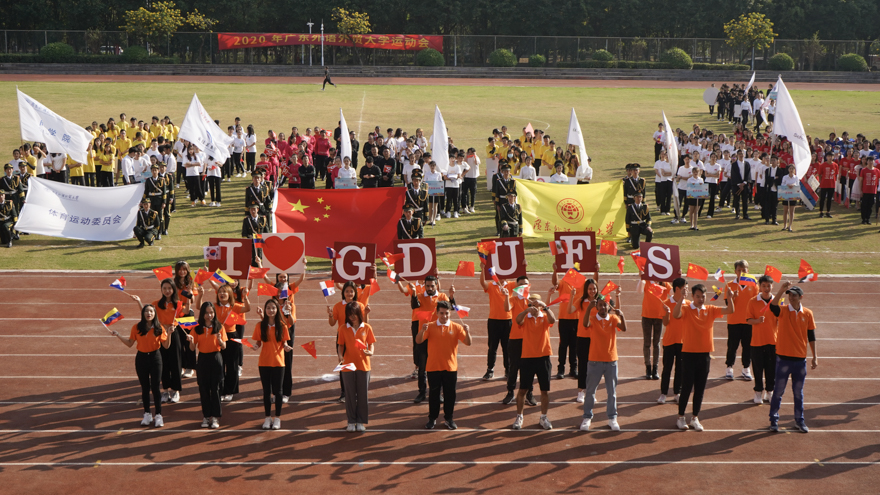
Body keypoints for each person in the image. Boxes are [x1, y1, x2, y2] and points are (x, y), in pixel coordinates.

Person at [673, 283, 734, 431]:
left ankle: (695, 417)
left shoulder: (711, 310)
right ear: (693, 297)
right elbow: (675, 314)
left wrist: (730, 298)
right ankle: (681, 417)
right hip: (688, 354)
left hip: (704, 354)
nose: (700, 299)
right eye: (697, 296)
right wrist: (681, 298)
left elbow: (730, 310)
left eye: (703, 296)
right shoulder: (686, 309)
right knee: (686, 387)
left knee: (700, 389)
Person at [768, 283, 818, 433]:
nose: (791, 297)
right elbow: (772, 306)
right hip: (783, 359)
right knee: (778, 391)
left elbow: (811, 336)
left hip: (800, 360)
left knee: (798, 392)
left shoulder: (808, 313)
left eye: (794, 295)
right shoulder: (783, 311)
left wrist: (815, 356)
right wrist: (781, 290)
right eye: (789, 295)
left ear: (801, 297)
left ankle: (799, 420)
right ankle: (773, 420)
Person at [110, 304, 171, 427]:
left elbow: (166, 346)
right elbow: (129, 343)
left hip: (155, 358)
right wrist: (118, 335)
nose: (149, 313)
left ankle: (158, 415)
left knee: (155, 387)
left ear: (154, 314)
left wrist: (169, 334)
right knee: (145, 387)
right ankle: (147, 414)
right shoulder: (137, 327)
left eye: (151, 311)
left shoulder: (159, 328)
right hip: (141, 358)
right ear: (143, 314)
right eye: (146, 311)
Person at [417, 301, 472, 430]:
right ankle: (432, 418)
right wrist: (422, 331)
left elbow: (468, 343)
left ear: (450, 313)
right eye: (441, 313)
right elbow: (419, 340)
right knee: (434, 395)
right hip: (433, 367)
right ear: (437, 313)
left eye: (447, 313)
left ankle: (449, 418)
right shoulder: (429, 326)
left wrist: (467, 332)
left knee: (450, 395)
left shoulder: (457, 327)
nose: (444, 316)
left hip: (450, 368)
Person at [579, 291, 626, 431]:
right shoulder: (593, 319)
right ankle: (587, 417)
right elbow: (585, 324)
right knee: (590, 392)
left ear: (608, 306)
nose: (602, 308)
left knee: (611, 392)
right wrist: (588, 309)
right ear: (596, 307)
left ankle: (612, 418)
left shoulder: (613, 318)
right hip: (594, 361)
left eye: (605, 305)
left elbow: (624, 328)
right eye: (600, 305)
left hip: (611, 361)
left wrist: (622, 316)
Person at [403, 276, 453, 403]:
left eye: (432, 286)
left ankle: (438, 393)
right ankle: (422, 392)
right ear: (424, 285)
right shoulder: (419, 296)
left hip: (438, 336)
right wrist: (414, 293)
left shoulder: (442, 297)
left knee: (439, 367)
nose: (430, 288)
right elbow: (414, 306)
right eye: (428, 286)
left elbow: (450, 308)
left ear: (437, 285)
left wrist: (451, 296)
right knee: (422, 366)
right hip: (424, 335)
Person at [512, 294, 557, 430]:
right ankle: (519, 416)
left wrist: (545, 306)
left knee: (545, 390)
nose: (534, 307)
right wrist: (526, 311)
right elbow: (517, 320)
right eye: (531, 304)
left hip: (543, 357)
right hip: (527, 357)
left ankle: (543, 417)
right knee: (523, 390)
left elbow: (553, 319)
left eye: (536, 304)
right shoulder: (526, 317)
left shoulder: (544, 317)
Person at [252, 298, 294, 430]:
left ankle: (277, 418)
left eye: (273, 308)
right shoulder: (260, 325)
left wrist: (286, 347)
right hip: (264, 362)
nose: (271, 310)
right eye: (268, 308)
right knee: (266, 391)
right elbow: (258, 342)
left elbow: (285, 342)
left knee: (278, 391)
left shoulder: (282, 325)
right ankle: (267, 417)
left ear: (278, 310)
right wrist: (255, 346)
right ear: (265, 310)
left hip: (278, 362)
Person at [186, 301, 228, 429]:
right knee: (203, 389)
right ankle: (206, 416)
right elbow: (192, 348)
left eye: (211, 313)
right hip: (203, 359)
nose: (209, 315)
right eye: (207, 313)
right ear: (202, 314)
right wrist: (191, 341)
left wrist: (220, 341)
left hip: (216, 358)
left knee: (215, 389)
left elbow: (224, 346)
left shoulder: (219, 327)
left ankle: (215, 417)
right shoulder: (197, 328)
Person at [337, 302, 375, 432]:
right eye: (350, 314)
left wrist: (371, 352)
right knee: (350, 394)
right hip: (348, 365)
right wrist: (340, 355)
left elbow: (371, 344)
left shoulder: (367, 328)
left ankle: (361, 421)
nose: (352, 317)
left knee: (362, 394)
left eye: (354, 314)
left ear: (360, 314)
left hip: (363, 365)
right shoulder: (342, 328)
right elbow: (341, 345)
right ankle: (351, 420)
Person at [328, 282, 368, 403]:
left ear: (355, 293)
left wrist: (366, 313)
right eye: (347, 291)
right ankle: (344, 393)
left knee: (358, 365)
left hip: (357, 339)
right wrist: (330, 315)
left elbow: (365, 323)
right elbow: (332, 323)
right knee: (344, 365)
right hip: (342, 339)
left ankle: (356, 392)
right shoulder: (337, 306)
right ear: (343, 292)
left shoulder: (360, 306)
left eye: (351, 291)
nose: (349, 293)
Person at [504, 275, 537, 406]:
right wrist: (506, 296)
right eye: (521, 284)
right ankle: (510, 392)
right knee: (513, 367)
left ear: (529, 286)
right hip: (515, 339)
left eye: (526, 283)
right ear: (516, 287)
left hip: (530, 339)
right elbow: (506, 309)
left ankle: (529, 393)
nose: (523, 286)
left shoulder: (532, 301)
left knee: (529, 368)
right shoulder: (513, 299)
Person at [746, 275, 778, 405]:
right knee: (758, 368)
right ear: (759, 286)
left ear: (772, 286)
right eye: (763, 286)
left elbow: (782, 317)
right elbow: (748, 320)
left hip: (773, 341)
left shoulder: (777, 301)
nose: (766, 288)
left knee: (772, 368)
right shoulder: (753, 301)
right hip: (758, 342)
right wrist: (757, 321)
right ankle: (758, 391)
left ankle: (770, 391)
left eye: (768, 286)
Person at [480, 265, 515, 381]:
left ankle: (508, 370)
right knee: (492, 347)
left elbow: (523, 285)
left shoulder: (510, 285)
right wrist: (483, 270)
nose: (502, 278)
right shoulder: (491, 285)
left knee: (507, 347)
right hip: (494, 320)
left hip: (507, 320)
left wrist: (523, 267)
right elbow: (483, 283)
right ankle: (490, 370)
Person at [725, 260, 757, 381]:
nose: (742, 272)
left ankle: (746, 368)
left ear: (748, 271)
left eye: (744, 270)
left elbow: (757, 301)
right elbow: (727, 304)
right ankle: (729, 367)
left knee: (747, 346)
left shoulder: (754, 285)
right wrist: (732, 297)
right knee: (732, 346)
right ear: (735, 271)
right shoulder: (729, 285)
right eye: (739, 270)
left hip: (748, 321)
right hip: (734, 321)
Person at [658, 278, 687, 403]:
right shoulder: (666, 303)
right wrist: (667, 313)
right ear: (677, 289)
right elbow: (665, 323)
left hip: (683, 342)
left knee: (680, 369)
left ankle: (677, 393)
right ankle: (663, 393)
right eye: (684, 288)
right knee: (667, 368)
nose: (687, 291)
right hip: (669, 341)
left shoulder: (688, 304)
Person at [729, 150, 752, 220]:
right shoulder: (734, 164)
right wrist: (739, 184)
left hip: (745, 184)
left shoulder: (747, 164)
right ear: (737, 155)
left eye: (742, 154)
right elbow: (734, 175)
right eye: (739, 154)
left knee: (745, 200)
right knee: (736, 200)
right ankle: (737, 214)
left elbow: (748, 174)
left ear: (744, 155)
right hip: (737, 185)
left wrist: (744, 183)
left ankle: (745, 214)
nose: (741, 155)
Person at [816, 152, 838, 218]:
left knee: (829, 199)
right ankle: (821, 212)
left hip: (831, 184)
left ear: (833, 157)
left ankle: (828, 212)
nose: (830, 158)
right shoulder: (822, 165)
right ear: (826, 157)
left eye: (831, 156)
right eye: (828, 156)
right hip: (824, 184)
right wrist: (820, 182)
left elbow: (836, 174)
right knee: (822, 199)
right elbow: (819, 174)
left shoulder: (835, 165)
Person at [859, 159, 880, 225]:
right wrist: (860, 190)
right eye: (869, 161)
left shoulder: (877, 171)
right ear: (867, 162)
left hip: (873, 191)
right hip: (865, 190)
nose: (871, 162)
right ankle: (863, 219)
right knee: (864, 205)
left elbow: (878, 181)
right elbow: (861, 181)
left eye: (872, 161)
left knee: (870, 206)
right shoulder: (863, 170)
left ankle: (868, 218)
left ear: (874, 162)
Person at [780, 165, 800, 231]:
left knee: (792, 211)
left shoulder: (796, 177)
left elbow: (798, 185)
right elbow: (782, 185)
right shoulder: (785, 177)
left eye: (792, 169)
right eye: (790, 169)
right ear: (788, 170)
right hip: (786, 194)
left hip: (793, 194)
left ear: (794, 170)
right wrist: (787, 185)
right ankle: (785, 225)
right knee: (785, 210)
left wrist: (793, 185)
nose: (791, 170)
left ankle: (790, 226)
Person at [685, 166, 704, 230]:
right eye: (694, 172)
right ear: (692, 173)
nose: (695, 173)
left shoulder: (701, 179)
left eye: (697, 172)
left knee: (696, 211)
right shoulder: (689, 180)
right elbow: (688, 188)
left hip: (698, 197)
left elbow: (702, 188)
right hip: (692, 196)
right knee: (691, 211)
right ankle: (691, 225)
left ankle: (695, 225)